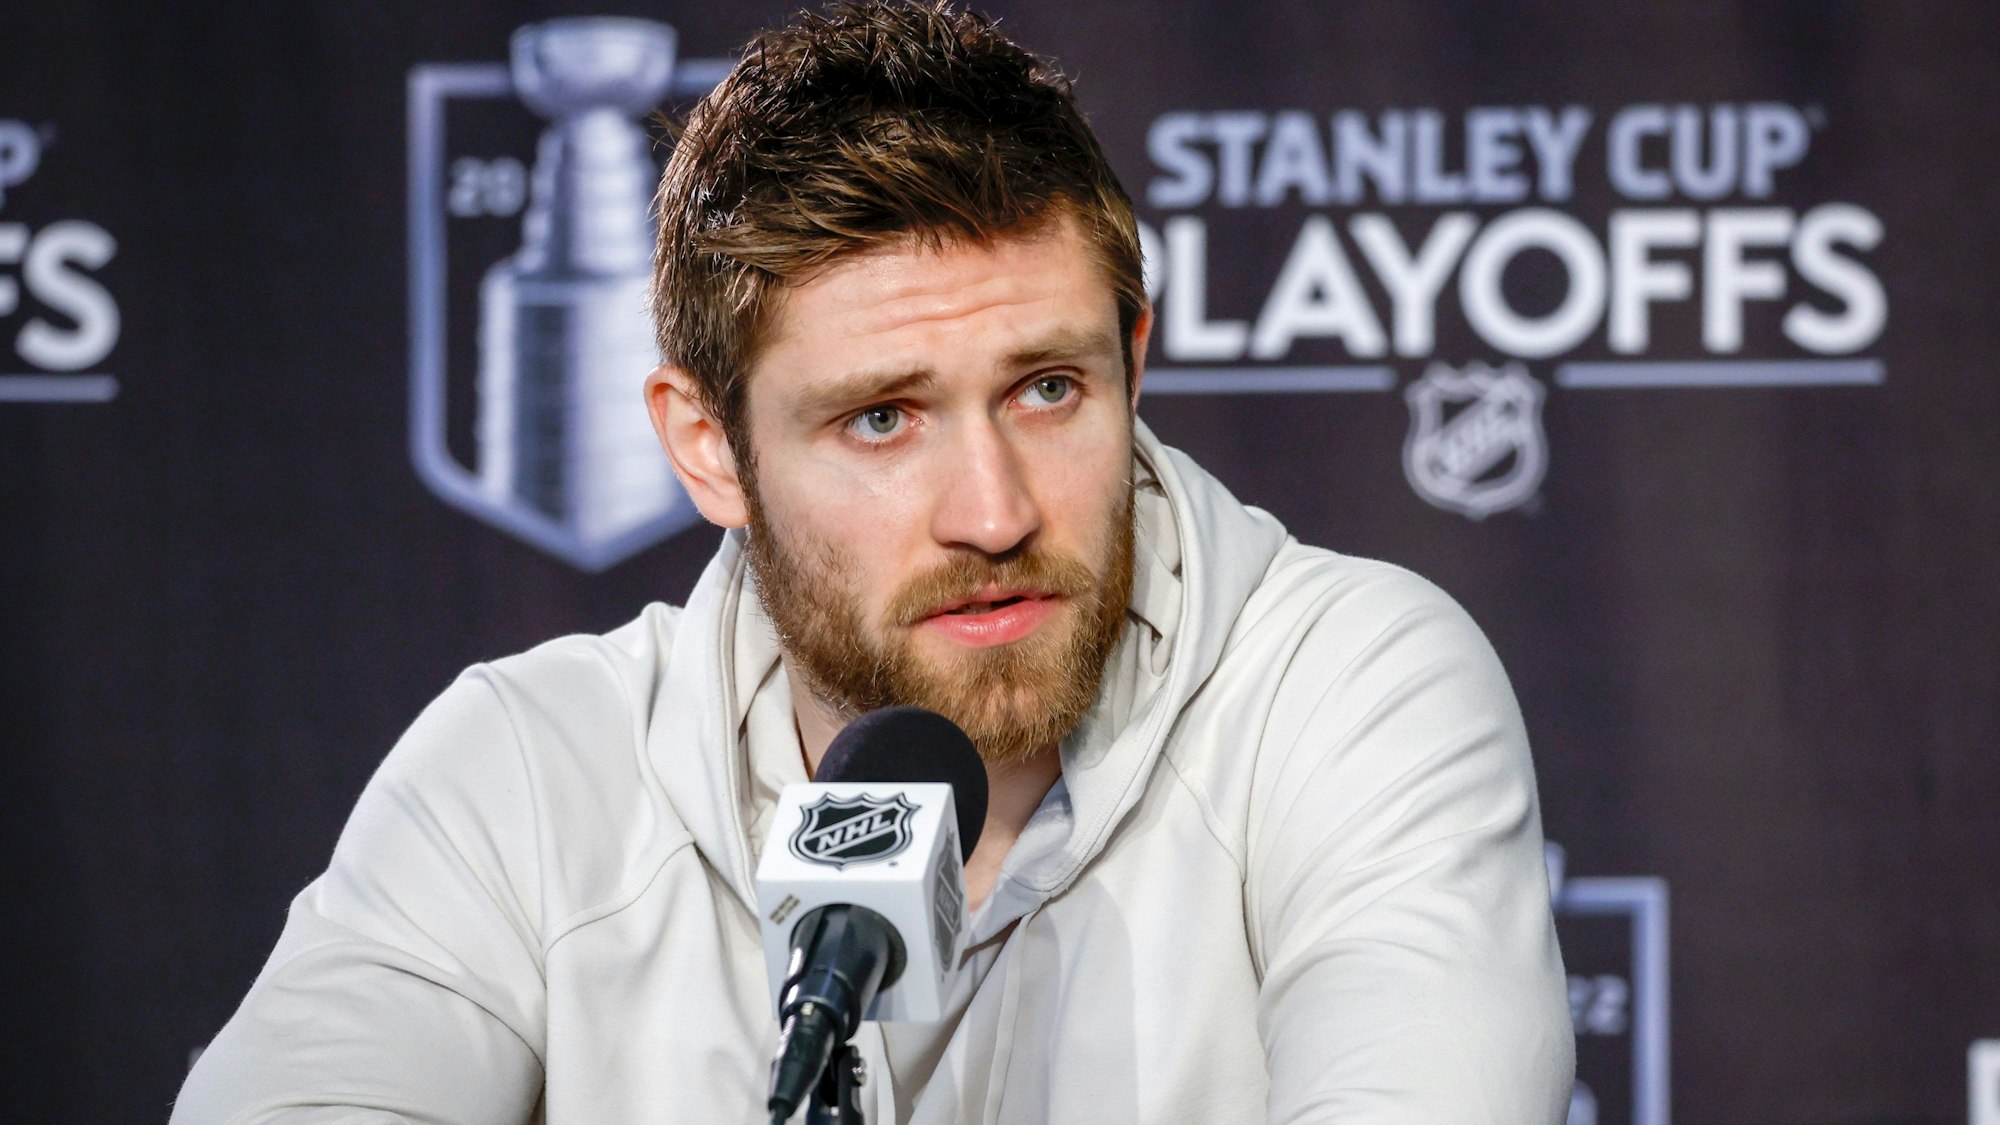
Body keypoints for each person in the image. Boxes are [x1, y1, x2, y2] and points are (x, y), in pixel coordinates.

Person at [174, 3, 1574, 1121]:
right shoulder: (530, 774)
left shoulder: (1352, 689)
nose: (993, 510)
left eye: (1046, 389)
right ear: (709, 447)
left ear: (1132, 363)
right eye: (883, 417)